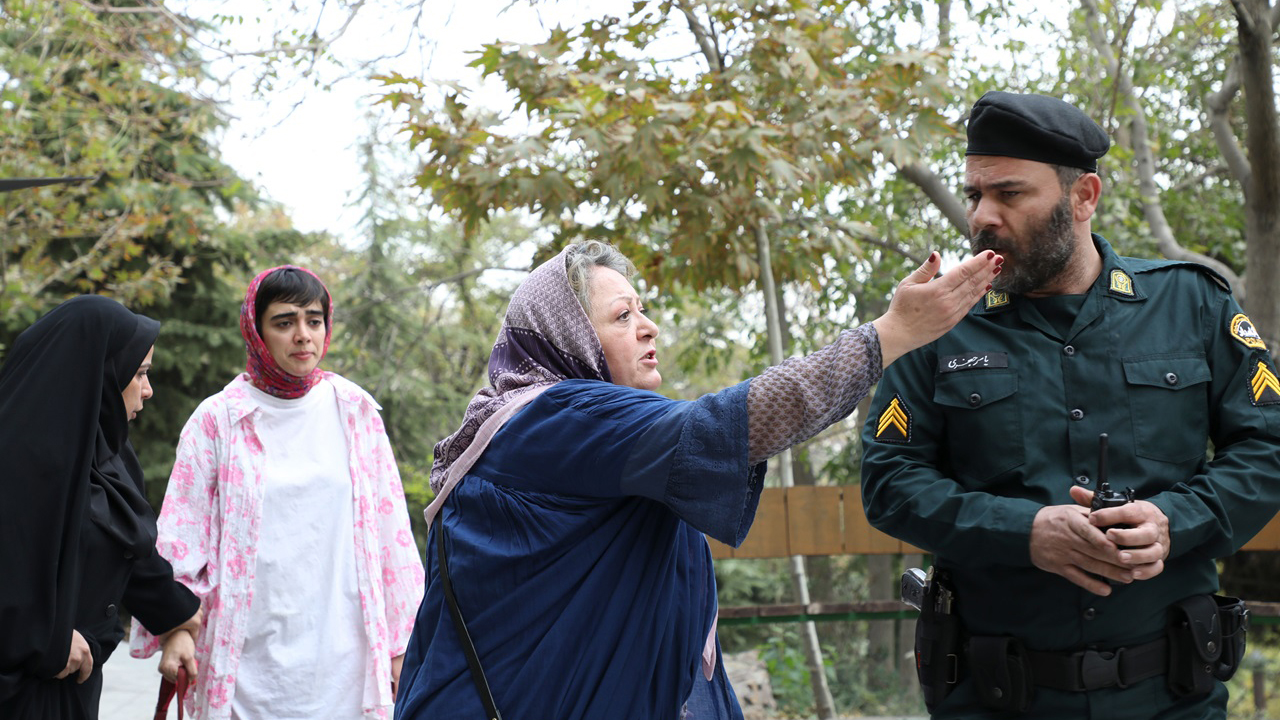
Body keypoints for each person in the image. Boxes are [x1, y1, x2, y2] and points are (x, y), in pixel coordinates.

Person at [393, 239, 1001, 719]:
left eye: (644, 308)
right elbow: (733, 424)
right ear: (566, 338)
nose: (649, 325)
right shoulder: (555, 420)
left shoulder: (589, 437)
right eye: (622, 315)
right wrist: (892, 334)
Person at [860, 91, 1280, 719]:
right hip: (996, 695)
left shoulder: (1192, 305)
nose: (984, 216)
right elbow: (890, 482)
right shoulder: (936, 327)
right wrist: (1024, 532)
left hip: (1171, 695)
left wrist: (1175, 519)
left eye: (1009, 194)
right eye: (975, 195)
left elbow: (1268, 446)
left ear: (1084, 196)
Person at [129, 266, 425, 720]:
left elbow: (393, 538)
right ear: (257, 331)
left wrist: (404, 645)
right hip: (245, 668)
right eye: (285, 322)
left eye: (314, 320)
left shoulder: (355, 411)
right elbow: (180, 535)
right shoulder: (217, 420)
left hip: (343, 666)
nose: (303, 335)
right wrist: (177, 628)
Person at [0, 295, 201, 720]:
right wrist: (46, 638)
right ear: (99, 372)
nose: (148, 389)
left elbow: (126, 546)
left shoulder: (108, 453)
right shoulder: (18, 458)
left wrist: (179, 619)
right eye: (140, 373)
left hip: (73, 690)